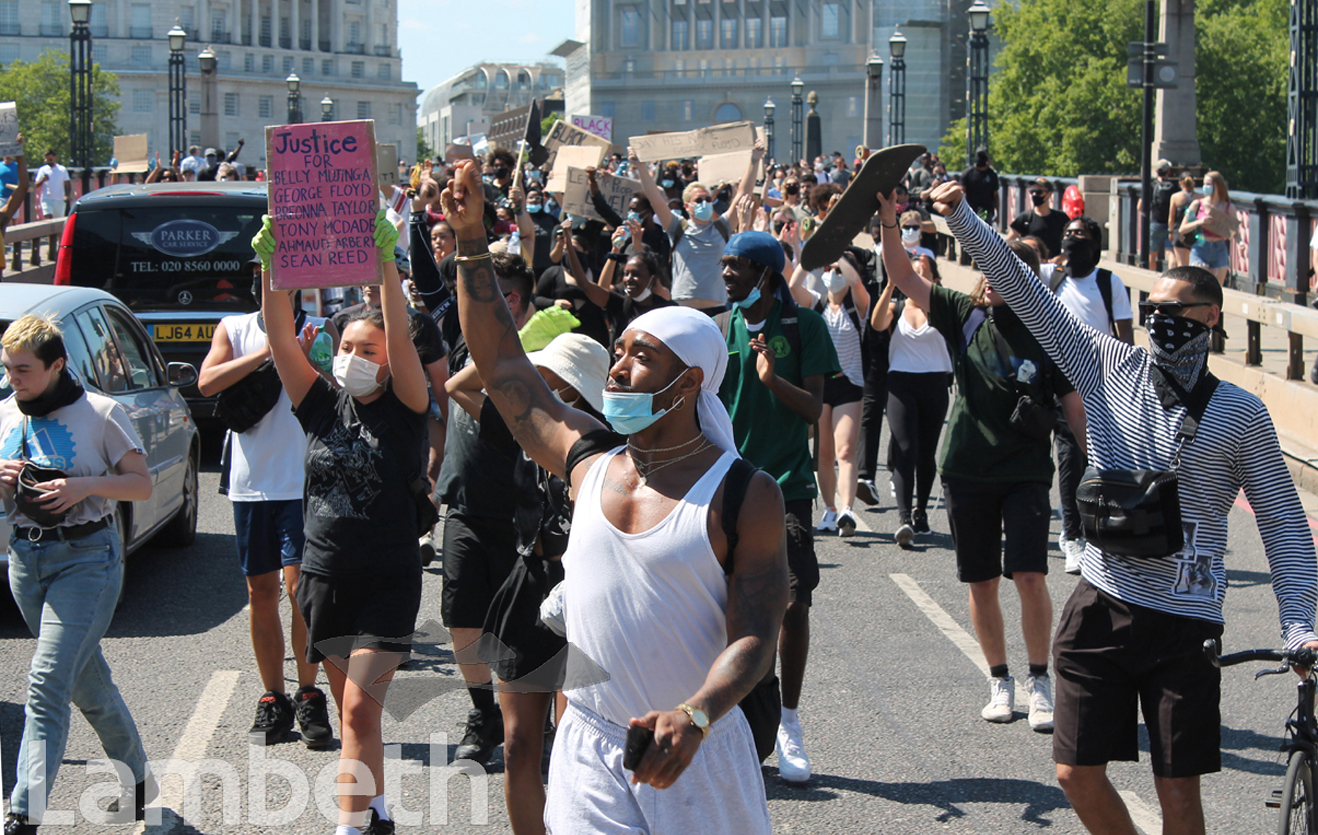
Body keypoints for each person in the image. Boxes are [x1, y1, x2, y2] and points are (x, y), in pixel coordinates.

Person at [931, 180, 1318, 835]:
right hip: (1101, 602)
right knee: (1075, 774)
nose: (1162, 325)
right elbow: (1023, 289)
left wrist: (1300, 624)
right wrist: (963, 217)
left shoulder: (1240, 414)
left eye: (1180, 314)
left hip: (1184, 618)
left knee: (1178, 796)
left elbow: (1282, 519)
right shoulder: (1108, 364)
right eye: (1154, 311)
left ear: (1212, 320)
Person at [443, 158, 786, 834]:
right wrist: (470, 241)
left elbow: (756, 635)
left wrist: (695, 714)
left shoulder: (744, 493)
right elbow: (505, 364)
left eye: (641, 356)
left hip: (697, 749)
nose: (619, 365)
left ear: (689, 384)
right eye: (620, 348)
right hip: (590, 748)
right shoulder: (588, 463)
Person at [252, 209, 429, 835]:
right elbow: (278, 336)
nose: (353, 358)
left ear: (389, 360)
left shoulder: (408, 406)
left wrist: (386, 261)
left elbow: (402, 336)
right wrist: (275, 267)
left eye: (367, 350)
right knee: (363, 714)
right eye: (346, 347)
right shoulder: (320, 403)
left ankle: (348, 826)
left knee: (356, 708)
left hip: (388, 579)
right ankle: (375, 811)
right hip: (322, 578)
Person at [881, 192, 1086, 731]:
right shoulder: (964, 315)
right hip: (967, 467)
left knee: (1029, 574)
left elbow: (1073, 406)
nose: (992, 277)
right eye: (987, 266)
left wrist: (1098, 467)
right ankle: (1001, 680)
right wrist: (887, 223)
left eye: (1007, 268)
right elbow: (902, 275)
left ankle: (1039, 680)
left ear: (1028, 277)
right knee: (981, 581)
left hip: (1023, 470)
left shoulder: (1049, 330)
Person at [445, 332, 610, 835]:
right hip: (529, 587)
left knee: (569, 744)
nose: (540, 384)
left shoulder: (610, 444)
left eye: (553, 377)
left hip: (586, 593)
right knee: (519, 746)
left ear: (580, 386)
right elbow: (458, 386)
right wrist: (514, 356)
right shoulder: (528, 427)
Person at [0, 315, 156, 834]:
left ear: (57, 364)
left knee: (45, 682)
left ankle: (25, 811)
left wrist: (83, 485)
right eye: (7, 369)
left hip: (88, 559)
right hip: (25, 561)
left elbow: (141, 486)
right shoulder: (5, 415)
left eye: (23, 369)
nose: (13, 379)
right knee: (86, 685)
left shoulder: (100, 413)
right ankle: (140, 785)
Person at [198, 261, 338, 748]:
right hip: (251, 483)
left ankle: (308, 693)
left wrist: (312, 361)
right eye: (265, 276)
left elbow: (340, 391)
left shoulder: (319, 328)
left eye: (283, 278)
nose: (274, 285)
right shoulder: (234, 328)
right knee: (261, 593)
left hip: (303, 480)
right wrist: (270, 349)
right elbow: (207, 382)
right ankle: (272, 698)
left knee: (302, 592)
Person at [717, 230, 840, 783]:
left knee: (794, 604)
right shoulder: (721, 330)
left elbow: (815, 410)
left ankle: (788, 721)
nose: (726, 275)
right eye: (723, 265)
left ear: (765, 274)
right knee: (720, 605)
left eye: (736, 266)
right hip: (727, 485)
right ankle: (728, 719)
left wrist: (772, 381)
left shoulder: (804, 326)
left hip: (786, 485)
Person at [1041, 216, 1134, 573]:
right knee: (1069, 459)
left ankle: (1105, 530)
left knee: (1099, 458)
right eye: (1067, 234)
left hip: (1101, 383)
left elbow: (1124, 335)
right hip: (1060, 381)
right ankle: (1071, 534)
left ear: (1095, 244)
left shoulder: (1109, 283)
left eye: (1079, 235)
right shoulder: (1052, 277)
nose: (1071, 239)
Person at [786, 252, 873, 537]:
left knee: (845, 450)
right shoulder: (816, 302)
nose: (833, 274)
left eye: (838, 270)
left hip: (850, 383)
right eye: (829, 268)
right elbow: (792, 287)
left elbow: (858, 284)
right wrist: (813, 254)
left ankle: (847, 509)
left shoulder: (857, 306)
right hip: (821, 384)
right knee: (823, 453)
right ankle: (830, 509)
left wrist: (838, 255)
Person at [872, 251, 952, 545]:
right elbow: (877, 324)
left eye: (922, 273)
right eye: (912, 273)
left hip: (934, 383)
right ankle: (904, 517)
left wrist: (933, 296)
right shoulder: (897, 306)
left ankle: (921, 512)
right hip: (900, 383)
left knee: (926, 453)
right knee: (905, 447)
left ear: (933, 278)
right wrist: (892, 286)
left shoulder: (942, 305)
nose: (916, 278)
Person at [635, 142, 764, 313]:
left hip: (717, 308)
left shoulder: (722, 226)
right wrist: (641, 166)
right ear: (687, 206)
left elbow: (742, 194)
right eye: (699, 200)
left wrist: (755, 160)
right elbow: (655, 199)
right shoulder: (677, 226)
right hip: (682, 308)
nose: (705, 203)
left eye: (708, 200)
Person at [1178, 170, 1239, 285]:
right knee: (1199, 284)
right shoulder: (1197, 204)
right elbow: (1182, 229)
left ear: (1217, 185)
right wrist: (1199, 222)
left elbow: (1235, 230)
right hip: (1200, 247)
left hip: (1219, 248)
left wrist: (1240, 243)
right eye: (1204, 184)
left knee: (1216, 288)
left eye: (1208, 184)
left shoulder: (1228, 207)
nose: (1205, 187)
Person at [1007, 178, 1067, 258]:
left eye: (1039, 192)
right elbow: (1008, 242)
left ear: (1049, 194)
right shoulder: (1025, 217)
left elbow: (1074, 243)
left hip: (1051, 265)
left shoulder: (1060, 217)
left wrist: (1060, 258)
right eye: (1032, 192)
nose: (1034, 195)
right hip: (1029, 264)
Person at [1143, 160, 1178, 271]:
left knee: (1152, 254)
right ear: (1169, 171)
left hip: (1155, 223)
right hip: (1170, 224)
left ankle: (1151, 279)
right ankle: (1171, 278)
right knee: (1171, 253)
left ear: (1156, 171)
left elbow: (1140, 206)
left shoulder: (1151, 185)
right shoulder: (1173, 186)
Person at [961, 147, 999, 222]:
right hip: (971, 209)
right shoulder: (968, 173)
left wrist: (998, 213)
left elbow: (995, 195)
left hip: (986, 209)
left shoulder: (991, 174)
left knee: (983, 227)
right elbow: (962, 192)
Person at [1169, 176, 1197, 268]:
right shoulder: (1199, 197)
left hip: (1179, 232)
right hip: (1194, 233)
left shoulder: (1175, 197)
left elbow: (1171, 218)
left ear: (1181, 182)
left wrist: (1171, 231)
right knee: (1191, 265)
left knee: (1181, 264)